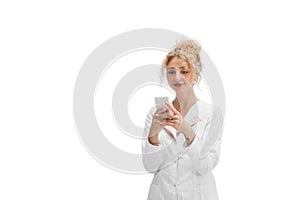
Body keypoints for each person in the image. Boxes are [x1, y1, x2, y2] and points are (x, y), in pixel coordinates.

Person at [142, 39, 224, 200]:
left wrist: (187, 131)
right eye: (171, 71)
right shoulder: (156, 113)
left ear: (196, 75)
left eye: (184, 71)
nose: (176, 77)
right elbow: (150, 167)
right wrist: (153, 137)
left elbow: (205, 165)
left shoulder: (212, 114)